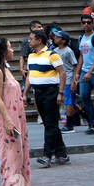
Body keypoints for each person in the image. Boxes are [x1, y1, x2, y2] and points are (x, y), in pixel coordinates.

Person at [0, 38, 38, 186]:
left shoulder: (6, 69)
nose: (12, 51)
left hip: (18, 118)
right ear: (2, 52)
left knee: (21, 156)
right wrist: (8, 121)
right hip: (7, 119)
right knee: (9, 158)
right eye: (9, 48)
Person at [23, 30, 68, 167]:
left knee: (50, 124)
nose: (29, 41)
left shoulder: (52, 54)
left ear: (39, 40)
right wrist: (25, 93)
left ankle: (47, 155)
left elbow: (62, 72)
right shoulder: (31, 56)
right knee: (50, 123)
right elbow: (30, 75)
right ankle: (62, 153)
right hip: (38, 92)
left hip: (51, 91)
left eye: (31, 39)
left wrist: (60, 92)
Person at [76, 15, 94, 134]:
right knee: (84, 97)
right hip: (84, 71)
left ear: (93, 23)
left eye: (88, 22)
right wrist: (77, 72)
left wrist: (90, 71)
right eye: (84, 22)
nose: (86, 24)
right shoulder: (81, 37)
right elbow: (82, 56)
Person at [51, 30, 79, 132]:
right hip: (59, 80)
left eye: (58, 37)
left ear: (63, 40)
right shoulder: (55, 51)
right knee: (69, 101)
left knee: (68, 101)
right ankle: (84, 115)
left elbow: (74, 66)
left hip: (68, 79)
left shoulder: (68, 51)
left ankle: (69, 124)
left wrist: (73, 81)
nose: (55, 38)